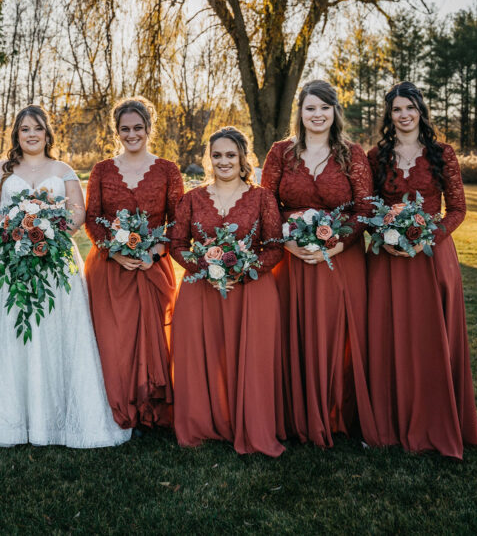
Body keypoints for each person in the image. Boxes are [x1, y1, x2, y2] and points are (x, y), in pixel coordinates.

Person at [0, 105, 130, 448]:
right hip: (5, 254)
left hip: (54, 254)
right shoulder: (2, 170)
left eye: (37, 128)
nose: (31, 134)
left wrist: (50, 229)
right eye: (24, 129)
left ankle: (53, 416)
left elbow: (77, 212)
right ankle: (1, 417)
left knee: (54, 331)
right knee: (2, 331)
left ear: (48, 134)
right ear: (17, 135)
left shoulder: (63, 169)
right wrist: (16, 229)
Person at [366, 82, 477, 458]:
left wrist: (425, 239)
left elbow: (458, 209)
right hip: (387, 260)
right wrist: (383, 235)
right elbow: (368, 208)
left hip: (431, 257)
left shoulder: (442, 154)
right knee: (388, 335)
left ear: (421, 111)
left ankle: (436, 420)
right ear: (389, 115)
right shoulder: (376, 156)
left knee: (431, 336)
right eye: (396, 109)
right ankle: (388, 422)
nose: (403, 115)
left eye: (410, 108)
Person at [260, 80, 377, 446]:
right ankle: (296, 415)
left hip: (341, 259)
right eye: (310, 108)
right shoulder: (281, 153)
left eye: (324, 107)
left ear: (335, 112)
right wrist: (289, 244)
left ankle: (338, 415)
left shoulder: (352, 154)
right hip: (292, 260)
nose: (317, 115)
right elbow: (266, 205)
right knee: (294, 330)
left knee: (338, 332)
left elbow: (364, 210)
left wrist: (339, 245)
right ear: (300, 113)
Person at [170, 127, 285, 456]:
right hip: (201, 290)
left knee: (250, 358)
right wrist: (206, 270)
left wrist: (245, 271)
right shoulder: (192, 199)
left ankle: (248, 421)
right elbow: (177, 244)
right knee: (201, 355)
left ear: (243, 158)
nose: (223, 161)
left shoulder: (262, 197)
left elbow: (275, 247)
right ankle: (203, 422)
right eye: (217, 155)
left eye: (230, 155)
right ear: (209, 159)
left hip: (251, 292)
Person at [84, 97, 183, 430]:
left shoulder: (168, 169)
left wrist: (152, 253)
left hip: (151, 269)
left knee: (151, 340)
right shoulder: (101, 170)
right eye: (125, 129)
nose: (131, 134)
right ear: (117, 131)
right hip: (111, 270)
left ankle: (151, 407)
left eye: (138, 128)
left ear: (149, 129)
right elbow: (93, 218)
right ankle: (118, 404)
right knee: (116, 341)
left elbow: (178, 222)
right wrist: (114, 252)